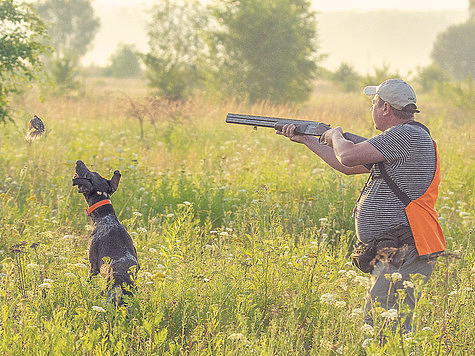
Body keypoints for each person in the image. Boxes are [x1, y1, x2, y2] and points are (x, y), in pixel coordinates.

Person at [277, 79, 445, 333]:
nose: (372, 109)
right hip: (398, 245)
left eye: (374, 103)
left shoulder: (405, 135)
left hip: (407, 245)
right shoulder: (400, 139)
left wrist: (335, 134)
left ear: (386, 107)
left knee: (384, 325)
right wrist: (307, 139)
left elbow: (348, 154)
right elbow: (348, 166)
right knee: (386, 322)